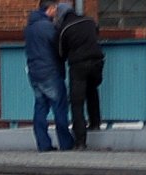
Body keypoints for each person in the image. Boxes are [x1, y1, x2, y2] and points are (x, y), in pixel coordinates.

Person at [24, 0, 74, 152]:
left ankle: (43, 143)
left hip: (34, 72)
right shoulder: (48, 27)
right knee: (59, 108)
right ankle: (66, 143)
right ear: (50, 8)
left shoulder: (30, 27)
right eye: (55, 9)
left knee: (40, 108)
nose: (56, 12)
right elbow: (59, 47)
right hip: (50, 72)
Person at [55, 3, 105, 150]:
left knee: (77, 103)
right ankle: (95, 123)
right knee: (92, 91)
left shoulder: (64, 29)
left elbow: (60, 53)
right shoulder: (89, 21)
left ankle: (81, 141)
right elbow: (97, 33)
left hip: (78, 66)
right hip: (97, 62)